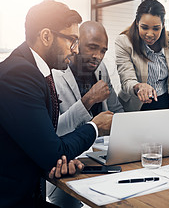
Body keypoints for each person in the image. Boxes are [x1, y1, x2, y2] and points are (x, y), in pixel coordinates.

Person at [0, 0, 112, 207]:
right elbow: (54, 151)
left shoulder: (35, 70)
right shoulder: (18, 74)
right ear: (46, 36)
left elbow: (46, 143)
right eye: (72, 41)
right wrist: (95, 127)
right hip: (1, 199)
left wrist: (60, 160)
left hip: (24, 191)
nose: (75, 50)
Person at [48, 21, 124, 207]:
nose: (98, 56)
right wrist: (88, 99)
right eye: (92, 47)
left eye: (103, 51)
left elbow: (116, 109)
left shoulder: (101, 69)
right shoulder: (54, 74)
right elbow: (54, 131)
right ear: (76, 43)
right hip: (65, 163)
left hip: (99, 155)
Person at [115, 0, 169, 111]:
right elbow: (127, 80)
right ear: (137, 23)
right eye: (144, 27)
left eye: (156, 28)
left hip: (164, 101)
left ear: (163, 24)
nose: (150, 34)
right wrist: (139, 86)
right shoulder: (124, 42)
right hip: (135, 104)